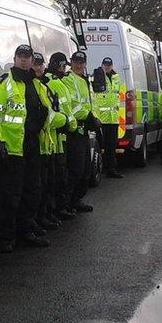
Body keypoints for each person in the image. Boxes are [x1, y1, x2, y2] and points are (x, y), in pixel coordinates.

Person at [0, 44, 52, 252]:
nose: (25, 60)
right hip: (11, 149)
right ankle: (3, 238)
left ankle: (25, 231)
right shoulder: (5, 82)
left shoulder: (36, 84)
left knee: (32, 191)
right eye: (21, 56)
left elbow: (46, 110)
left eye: (28, 57)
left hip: (33, 145)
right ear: (15, 58)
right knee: (9, 197)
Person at [32, 52, 69, 231]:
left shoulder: (45, 86)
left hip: (50, 143)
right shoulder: (35, 85)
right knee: (37, 186)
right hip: (37, 144)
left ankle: (46, 214)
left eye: (40, 64)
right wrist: (65, 120)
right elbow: (48, 116)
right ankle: (39, 218)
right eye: (35, 64)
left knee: (49, 183)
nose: (38, 67)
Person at [63, 51, 98, 212]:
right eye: (75, 62)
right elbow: (73, 105)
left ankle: (76, 200)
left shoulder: (86, 80)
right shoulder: (69, 79)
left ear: (85, 63)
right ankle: (68, 202)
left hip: (85, 128)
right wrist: (89, 116)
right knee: (75, 169)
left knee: (85, 169)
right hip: (74, 129)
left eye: (81, 62)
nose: (78, 65)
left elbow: (91, 103)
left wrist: (95, 118)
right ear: (71, 63)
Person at [46, 52, 78, 221]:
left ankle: (57, 208)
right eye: (64, 65)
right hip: (58, 137)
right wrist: (71, 125)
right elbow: (64, 111)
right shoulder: (55, 83)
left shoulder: (52, 81)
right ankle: (59, 208)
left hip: (58, 135)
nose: (65, 68)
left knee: (57, 175)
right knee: (59, 176)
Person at [91, 57, 124, 179]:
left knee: (112, 145)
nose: (107, 67)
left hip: (113, 118)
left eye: (109, 65)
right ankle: (99, 168)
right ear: (102, 65)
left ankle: (111, 169)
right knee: (100, 145)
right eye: (105, 64)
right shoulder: (96, 75)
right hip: (100, 118)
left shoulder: (116, 77)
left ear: (112, 65)